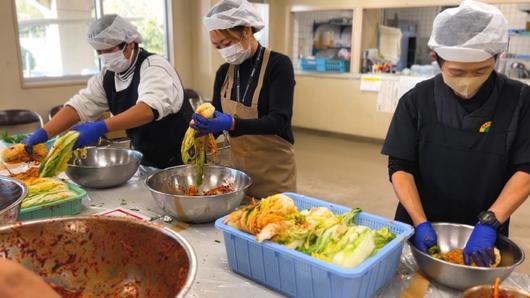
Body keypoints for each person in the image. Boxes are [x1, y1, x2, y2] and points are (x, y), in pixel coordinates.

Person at [382, 0, 530, 267]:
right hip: (420, 221)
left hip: (485, 226)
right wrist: (420, 222)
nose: (467, 80)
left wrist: (491, 222)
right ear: (436, 59)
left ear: (496, 58)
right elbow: (400, 167)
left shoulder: (520, 101)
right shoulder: (415, 101)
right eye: (457, 71)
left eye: (481, 71)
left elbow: (526, 169)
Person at [23, 15, 192, 169]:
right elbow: (80, 105)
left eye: (110, 50)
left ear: (129, 44)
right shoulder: (107, 77)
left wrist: (101, 127)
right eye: (100, 52)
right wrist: (44, 132)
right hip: (147, 160)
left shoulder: (154, 66)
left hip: (181, 161)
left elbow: (147, 110)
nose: (105, 57)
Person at [193, 0, 297, 198]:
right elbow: (215, 114)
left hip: (274, 175)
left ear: (247, 31)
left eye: (228, 43)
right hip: (238, 175)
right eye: (218, 46)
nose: (224, 50)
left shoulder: (278, 65)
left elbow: (278, 121)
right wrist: (201, 132)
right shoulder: (224, 72)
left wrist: (231, 123)